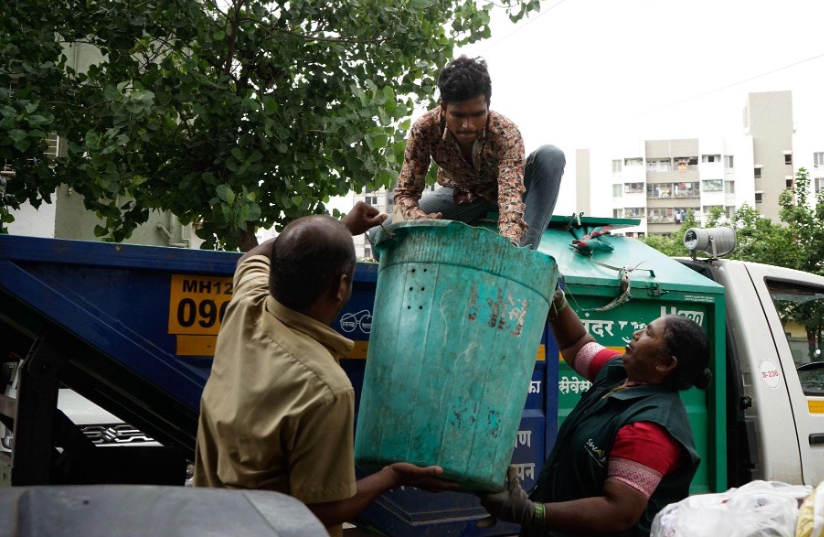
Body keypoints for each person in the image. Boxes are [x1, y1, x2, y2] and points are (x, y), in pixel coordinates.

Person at [194, 202, 457, 536]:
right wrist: (393, 477)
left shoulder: (247, 306)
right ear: (341, 287)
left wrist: (340, 228)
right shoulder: (325, 389)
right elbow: (318, 510)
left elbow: (253, 256)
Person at [480, 291, 712, 536]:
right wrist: (557, 302)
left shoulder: (649, 429)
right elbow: (576, 344)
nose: (636, 334)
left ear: (665, 363)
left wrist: (533, 512)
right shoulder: (620, 374)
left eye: (648, 333)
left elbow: (619, 512)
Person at [391, 55, 565, 250]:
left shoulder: (506, 133)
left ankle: (523, 256)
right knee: (380, 233)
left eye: (477, 115)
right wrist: (419, 219)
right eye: (458, 115)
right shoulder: (425, 129)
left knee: (551, 155)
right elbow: (406, 194)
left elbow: (510, 198)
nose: (468, 126)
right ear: (443, 108)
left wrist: (508, 245)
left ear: (488, 107)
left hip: (508, 195)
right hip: (461, 196)